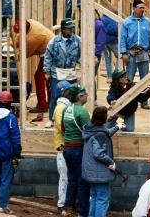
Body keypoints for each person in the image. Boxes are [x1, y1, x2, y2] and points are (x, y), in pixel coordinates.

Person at [81, 106, 120, 217]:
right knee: (102, 199)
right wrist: (110, 162)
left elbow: (103, 134)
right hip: (100, 173)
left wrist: (116, 127)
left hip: (90, 171)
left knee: (94, 197)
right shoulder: (100, 134)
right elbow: (99, 153)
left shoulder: (90, 129)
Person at [14, 18, 55, 121]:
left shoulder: (34, 37)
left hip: (51, 53)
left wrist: (13, 53)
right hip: (47, 50)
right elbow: (18, 38)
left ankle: (43, 105)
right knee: (42, 77)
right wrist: (11, 42)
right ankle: (48, 104)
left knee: (42, 76)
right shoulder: (29, 23)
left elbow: (26, 53)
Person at [44, 18, 81, 127]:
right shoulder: (54, 41)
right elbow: (48, 56)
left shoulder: (78, 40)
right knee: (55, 95)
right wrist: (47, 71)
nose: (71, 31)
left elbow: (82, 54)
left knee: (73, 95)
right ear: (63, 30)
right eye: (69, 29)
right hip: (57, 72)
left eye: (72, 29)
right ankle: (51, 118)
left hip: (71, 72)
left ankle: (71, 118)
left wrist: (80, 64)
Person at [62, 84, 91, 217]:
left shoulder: (66, 109)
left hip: (67, 147)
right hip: (78, 148)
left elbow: (63, 128)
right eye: (85, 94)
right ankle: (81, 211)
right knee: (81, 180)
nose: (87, 96)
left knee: (71, 179)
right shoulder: (82, 112)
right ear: (80, 97)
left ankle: (67, 208)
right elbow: (89, 132)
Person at [120, 0, 150, 110]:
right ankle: (129, 99)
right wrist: (123, 53)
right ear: (134, 8)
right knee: (129, 78)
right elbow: (123, 38)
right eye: (140, 8)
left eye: (143, 8)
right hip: (131, 53)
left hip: (143, 53)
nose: (143, 10)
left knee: (145, 79)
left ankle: (144, 101)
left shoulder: (147, 22)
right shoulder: (127, 22)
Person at [53, 81, 73, 215]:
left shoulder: (65, 105)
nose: (71, 92)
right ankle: (62, 204)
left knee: (67, 177)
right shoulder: (60, 108)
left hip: (66, 147)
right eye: (69, 90)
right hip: (63, 148)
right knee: (64, 177)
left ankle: (65, 202)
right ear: (63, 92)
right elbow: (62, 127)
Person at [101, 14, 119, 80]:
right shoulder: (113, 18)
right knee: (119, 56)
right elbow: (115, 29)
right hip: (113, 41)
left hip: (104, 42)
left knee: (107, 59)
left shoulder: (101, 19)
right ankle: (116, 74)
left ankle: (109, 77)